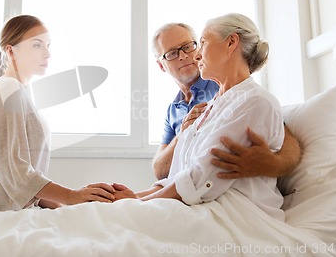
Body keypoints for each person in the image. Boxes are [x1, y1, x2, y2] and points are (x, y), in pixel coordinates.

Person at [114, 13, 287, 220]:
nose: (191, 56)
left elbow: (200, 178)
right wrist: (134, 197)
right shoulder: (207, 106)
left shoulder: (253, 101)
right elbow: (172, 172)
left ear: (231, 42)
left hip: (232, 212)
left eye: (196, 45)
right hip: (200, 202)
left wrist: (137, 204)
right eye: (172, 53)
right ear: (161, 65)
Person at [0, 15, 115, 211]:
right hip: (0, 216)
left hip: (9, 211)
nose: (47, 53)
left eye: (48, 45)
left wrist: (62, 207)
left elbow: (24, 180)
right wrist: (72, 196)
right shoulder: (8, 88)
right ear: (11, 50)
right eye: (37, 45)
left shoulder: (17, 92)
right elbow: (14, 170)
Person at [150, 22, 301, 180]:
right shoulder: (173, 110)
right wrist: (183, 133)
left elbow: (286, 139)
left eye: (188, 46)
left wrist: (273, 164)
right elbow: (160, 171)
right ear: (161, 65)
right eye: (172, 53)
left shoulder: (226, 86)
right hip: (182, 190)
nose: (183, 56)